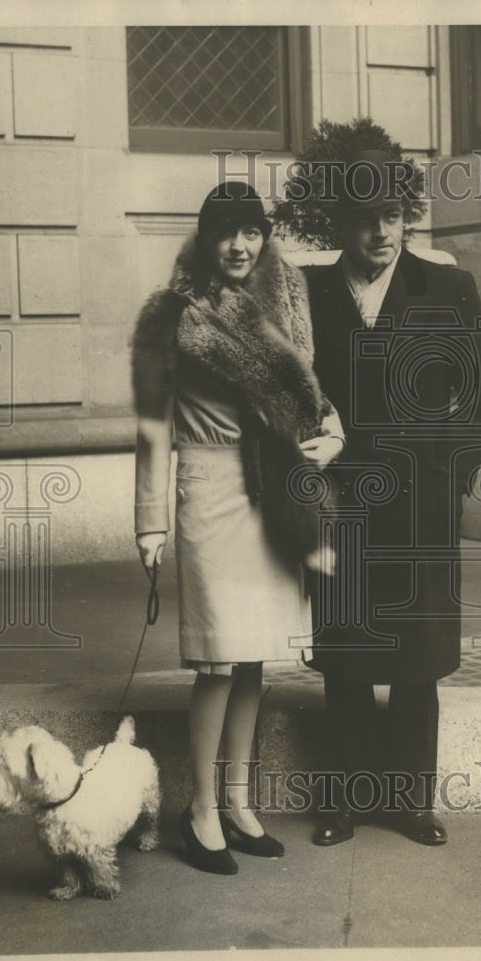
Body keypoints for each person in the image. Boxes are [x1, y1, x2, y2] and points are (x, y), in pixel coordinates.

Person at [131, 181, 344, 874]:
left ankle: (238, 800)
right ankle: (199, 810)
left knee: (254, 658)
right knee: (218, 660)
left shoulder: (282, 300)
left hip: (271, 488)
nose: (240, 245)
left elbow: (305, 397)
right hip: (209, 490)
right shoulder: (172, 314)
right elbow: (151, 426)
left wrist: (332, 431)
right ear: (203, 238)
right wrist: (148, 522)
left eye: (251, 231)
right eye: (226, 232)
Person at [306, 150, 481, 847]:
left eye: (390, 216)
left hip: (419, 500)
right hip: (339, 503)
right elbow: (277, 387)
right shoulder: (306, 293)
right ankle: (343, 801)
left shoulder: (444, 287)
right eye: (364, 220)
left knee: (418, 654)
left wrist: (446, 473)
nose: (380, 233)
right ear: (339, 222)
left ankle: (409, 801)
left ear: (405, 216)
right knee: (346, 651)